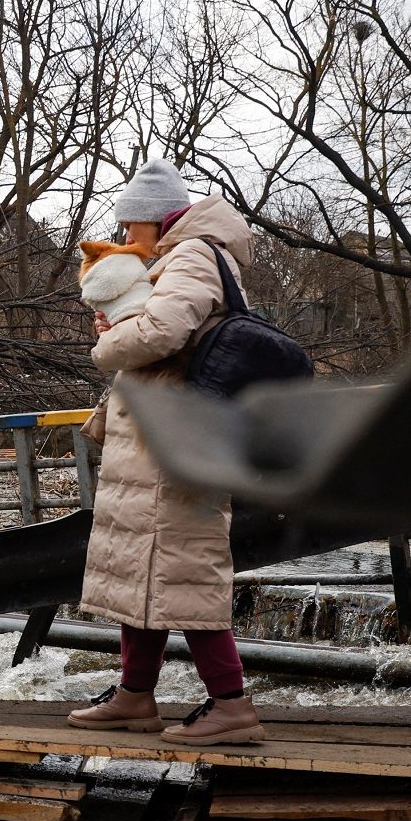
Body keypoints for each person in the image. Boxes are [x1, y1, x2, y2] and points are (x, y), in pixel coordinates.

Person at [66, 159, 263, 745]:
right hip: (160, 437)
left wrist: (105, 345)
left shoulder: (196, 253)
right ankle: (134, 696)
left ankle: (231, 705)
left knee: (185, 570)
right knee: (142, 568)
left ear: (158, 220)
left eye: (131, 228)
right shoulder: (184, 255)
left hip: (174, 439)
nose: (127, 240)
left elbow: (160, 333)